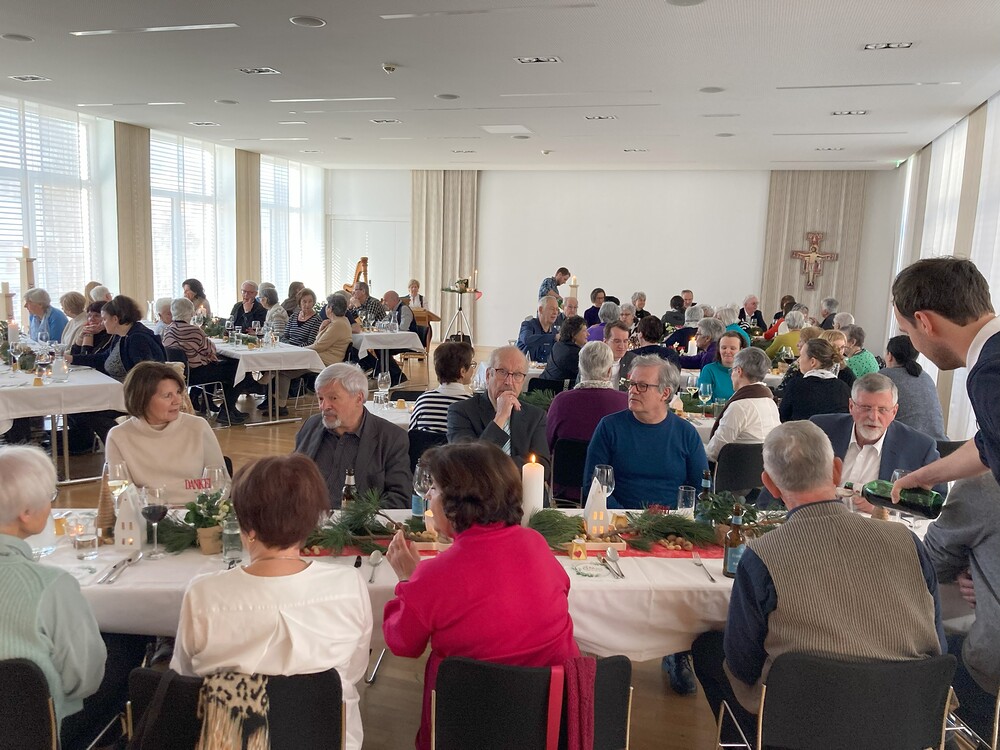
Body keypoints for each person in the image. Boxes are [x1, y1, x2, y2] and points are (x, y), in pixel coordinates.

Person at [691, 421, 946, 743]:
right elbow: (937, 641)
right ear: (837, 471)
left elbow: (743, 664)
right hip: (908, 721)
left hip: (806, 725)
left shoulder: (762, 556)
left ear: (769, 485)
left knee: (708, 648)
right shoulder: (908, 541)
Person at [382, 442, 579, 750]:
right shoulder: (536, 543)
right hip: (548, 720)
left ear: (456, 502)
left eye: (434, 489)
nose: (428, 496)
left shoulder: (434, 574)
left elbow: (402, 643)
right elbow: (560, 590)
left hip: (466, 723)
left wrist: (408, 580)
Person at [171, 454, 372, 750]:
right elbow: (352, 672)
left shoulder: (204, 594)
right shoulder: (349, 585)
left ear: (248, 527)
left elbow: (185, 679)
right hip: (327, 739)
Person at [0, 447, 146, 750]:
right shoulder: (49, 585)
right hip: (36, 730)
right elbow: (84, 681)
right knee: (131, 643)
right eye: (50, 496)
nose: (51, 504)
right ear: (25, 514)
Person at [890, 257, 1000, 495]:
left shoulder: (989, 372)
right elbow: (989, 442)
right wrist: (925, 476)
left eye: (907, 331)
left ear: (924, 322)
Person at [764, 372, 946, 508]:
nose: (873, 417)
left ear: (894, 412)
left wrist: (883, 509)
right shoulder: (821, 429)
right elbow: (781, 478)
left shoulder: (919, 447)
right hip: (818, 526)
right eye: (866, 408)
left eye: (882, 410)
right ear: (851, 406)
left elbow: (938, 503)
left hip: (878, 535)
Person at [923, 473, 1000, 740]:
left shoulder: (984, 484)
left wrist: (978, 570)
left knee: (924, 655)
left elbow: (931, 561)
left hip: (992, 671)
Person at [585, 355, 708, 510]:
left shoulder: (686, 433)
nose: (632, 391)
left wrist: (679, 518)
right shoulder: (609, 427)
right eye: (631, 384)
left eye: (642, 386)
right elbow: (594, 485)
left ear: (665, 393)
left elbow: (702, 490)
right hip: (618, 518)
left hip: (672, 520)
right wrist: (624, 516)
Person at [105, 362, 227, 501]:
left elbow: (219, 481)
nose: (178, 401)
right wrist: (161, 505)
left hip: (197, 510)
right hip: (147, 512)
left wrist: (195, 505)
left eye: (178, 392)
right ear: (142, 399)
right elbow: (122, 491)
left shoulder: (198, 427)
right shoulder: (119, 436)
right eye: (168, 395)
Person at [294, 363, 410, 508]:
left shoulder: (390, 438)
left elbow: (400, 498)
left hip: (359, 521)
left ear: (359, 398)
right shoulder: (311, 426)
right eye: (321, 398)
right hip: (307, 518)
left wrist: (356, 518)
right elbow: (291, 477)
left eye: (333, 398)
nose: (324, 406)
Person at [447, 346, 551, 479]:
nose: (509, 382)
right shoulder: (461, 411)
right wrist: (500, 417)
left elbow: (542, 467)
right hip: (479, 491)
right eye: (502, 372)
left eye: (517, 375)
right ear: (488, 375)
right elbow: (466, 464)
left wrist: (492, 467)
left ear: (523, 381)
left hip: (522, 489)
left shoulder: (535, 416)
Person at [546, 342, 628, 498]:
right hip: (612, 491)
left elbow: (547, 445)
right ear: (609, 371)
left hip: (567, 493)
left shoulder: (561, 402)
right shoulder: (625, 402)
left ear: (580, 368)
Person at [163, 297, 247, 425]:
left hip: (181, 373)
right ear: (191, 312)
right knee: (239, 369)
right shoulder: (193, 331)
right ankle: (226, 411)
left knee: (227, 367)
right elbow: (210, 349)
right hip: (196, 373)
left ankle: (224, 409)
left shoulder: (168, 329)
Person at [269, 294, 355, 417]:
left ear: (330, 309)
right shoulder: (340, 321)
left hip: (324, 361)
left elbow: (318, 345)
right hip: (320, 357)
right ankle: (275, 399)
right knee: (283, 368)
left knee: (284, 371)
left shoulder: (337, 324)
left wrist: (299, 350)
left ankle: (279, 406)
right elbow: (318, 342)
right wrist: (321, 329)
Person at [705, 347, 780, 463]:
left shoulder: (739, 406)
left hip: (735, 470)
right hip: (764, 467)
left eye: (732, 370)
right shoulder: (770, 402)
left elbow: (714, 452)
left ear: (739, 371)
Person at [67, 295, 165, 379]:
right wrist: (71, 358)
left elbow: (144, 374)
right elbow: (104, 358)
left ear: (115, 319)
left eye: (104, 319)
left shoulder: (138, 338)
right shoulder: (121, 335)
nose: (102, 323)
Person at [882, 335, 947, 440]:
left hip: (910, 444)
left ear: (890, 356)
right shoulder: (926, 377)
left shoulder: (884, 378)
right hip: (941, 444)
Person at [778, 338, 850, 422]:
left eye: (801, 356)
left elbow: (782, 418)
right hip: (835, 431)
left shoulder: (796, 386)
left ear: (813, 362)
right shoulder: (844, 388)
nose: (798, 360)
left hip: (803, 430)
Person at [410, 342, 473, 434]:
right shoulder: (471, 405)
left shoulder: (423, 401)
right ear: (462, 371)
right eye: (472, 365)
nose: (473, 368)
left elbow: (412, 435)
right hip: (458, 444)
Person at [618, 316, 680, 390]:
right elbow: (675, 380)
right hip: (666, 392)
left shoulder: (631, 355)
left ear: (640, 334)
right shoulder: (671, 354)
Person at [698, 330, 745, 403]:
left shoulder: (746, 372)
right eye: (724, 348)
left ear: (741, 350)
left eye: (732, 348)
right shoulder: (709, 370)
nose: (727, 351)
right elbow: (704, 401)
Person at [542, 315, 587, 382]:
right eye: (584, 331)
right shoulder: (575, 354)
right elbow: (587, 375)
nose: (588, 334)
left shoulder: (557, 346)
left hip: (543, 385)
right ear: (574, 334)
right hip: (561, 387)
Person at [516, 296, 559, 363]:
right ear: (540, 309)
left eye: (557, 309)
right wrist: (553, 337)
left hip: (545, 369)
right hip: (524, 368)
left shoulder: (554, 331)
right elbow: (527, 340)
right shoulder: (528, 325)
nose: (555, 312)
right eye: (552, 309)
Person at [604, 320, 630, 387]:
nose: (622, 346)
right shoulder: (594, 363)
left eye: (625, 341)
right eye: (617, 341)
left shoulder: (633, 362)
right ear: (605, 342)